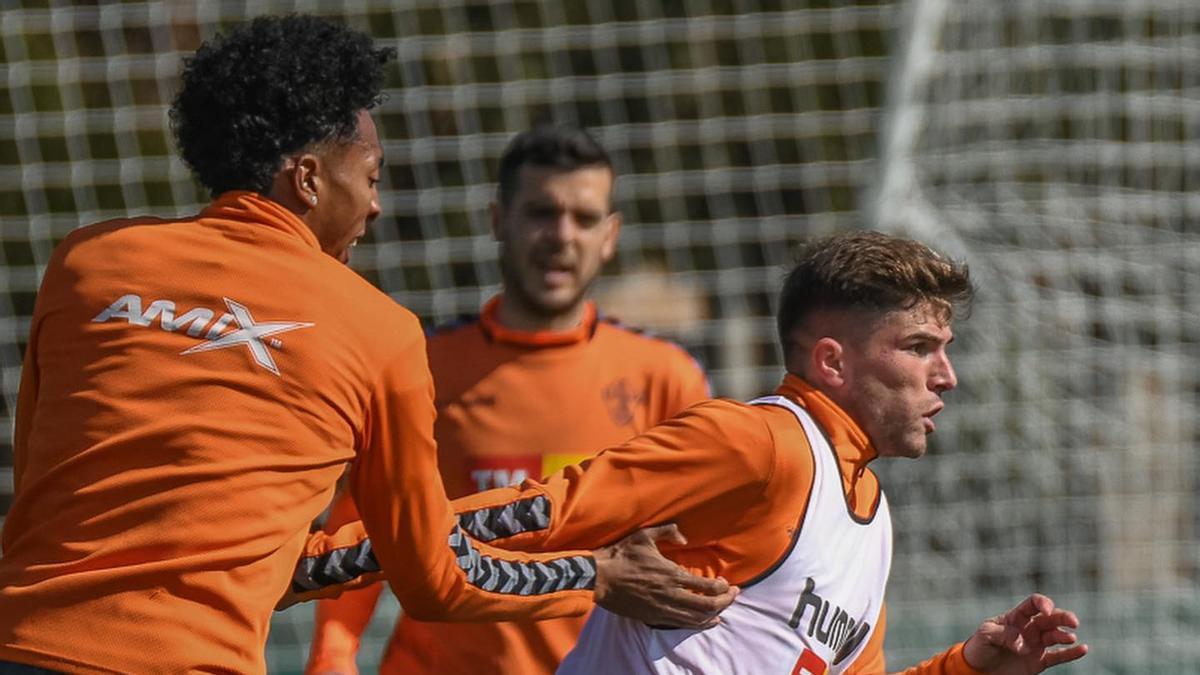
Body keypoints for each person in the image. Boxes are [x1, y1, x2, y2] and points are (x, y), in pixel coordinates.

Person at [0, 17, 733, 675]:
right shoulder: (380, 330)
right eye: (371, 175)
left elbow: (41, 483)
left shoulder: (86, 262)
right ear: (310, 178)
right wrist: (594, 574)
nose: (377, 204)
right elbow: (434, 573)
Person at [312, 231, 1088, 673]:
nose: (945, 375)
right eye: (920, 346)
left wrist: (968, 667)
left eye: (944, 348)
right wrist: (318, 561)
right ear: (832, 361)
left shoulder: (872, 519)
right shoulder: (762, 443)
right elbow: (543, 511)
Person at [304, 125, 712, 675]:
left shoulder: (666, 380)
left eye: (585, 218)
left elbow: (703, 555)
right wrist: (333, 655)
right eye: (542, 213)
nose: (561, 235)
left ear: (610, 235)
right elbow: (364, 529)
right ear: (500, 220)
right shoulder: (422, 365)